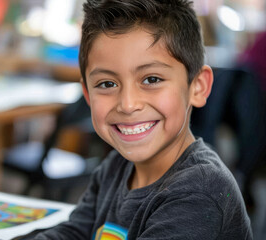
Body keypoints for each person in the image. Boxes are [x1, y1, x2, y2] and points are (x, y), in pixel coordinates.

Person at [35, 0, 252, 239]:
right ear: (87, 95)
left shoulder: (200, 191)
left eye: (151, 79)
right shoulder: (115, 167)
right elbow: (75, 232)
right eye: (107, 84)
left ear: (197, 87)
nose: (128, 104)